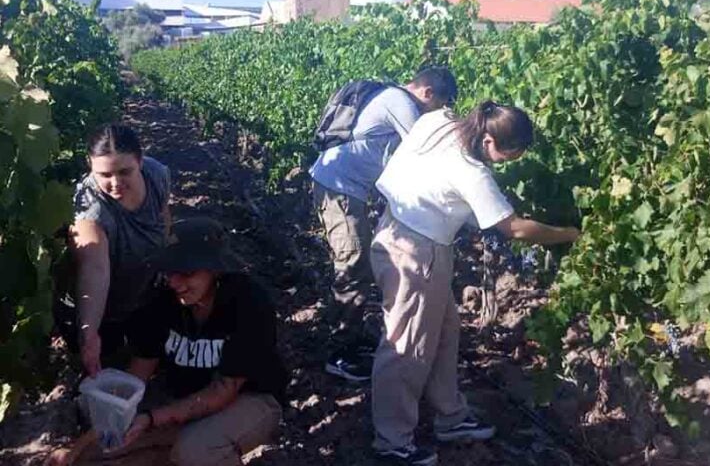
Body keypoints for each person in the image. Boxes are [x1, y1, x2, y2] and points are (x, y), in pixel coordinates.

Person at [369, 101, 581, 465]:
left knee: (444, 331)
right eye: (508, 155)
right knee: (407, 346)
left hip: (396, 231)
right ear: (488, 141)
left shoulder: (439, 120)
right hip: (418, 253)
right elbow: (514, 229)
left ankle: (450, 416)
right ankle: (392, 442)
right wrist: (570, 234)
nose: (508, 163)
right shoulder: (472, 172)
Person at [45, 217, 288, 466]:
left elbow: (224, 391)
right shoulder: (161, 300)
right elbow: (137, 377)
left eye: (186, 273)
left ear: (215, 270)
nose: (174, 282)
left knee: (194, 451)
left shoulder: (248, 303)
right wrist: (77, 448)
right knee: (101, 450)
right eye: (171, 271)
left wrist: (152, 418)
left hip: (250, 398)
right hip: (188, 400)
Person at [310, 67, 458, 382]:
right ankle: (340, 353)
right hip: (340, 189)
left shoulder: (391, 97)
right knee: (352, 264)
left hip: (343, 188)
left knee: (358, 263)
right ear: (428, 92)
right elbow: (427, 149)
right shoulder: (400, 102)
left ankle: (351, 333)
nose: (435, 114)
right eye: (439, 105)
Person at [54, 124, 172, 376]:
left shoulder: (156, 175)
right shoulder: (89, 208)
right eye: (104, 174)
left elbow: (163, 217)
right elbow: (95, 269)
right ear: (90, 165)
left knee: (149, 351)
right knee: (101, 368)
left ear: (140, 161)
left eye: (125, 171)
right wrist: (89, 334)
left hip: (144, 288)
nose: (115, 183)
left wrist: (165, 262)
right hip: (100, 306)